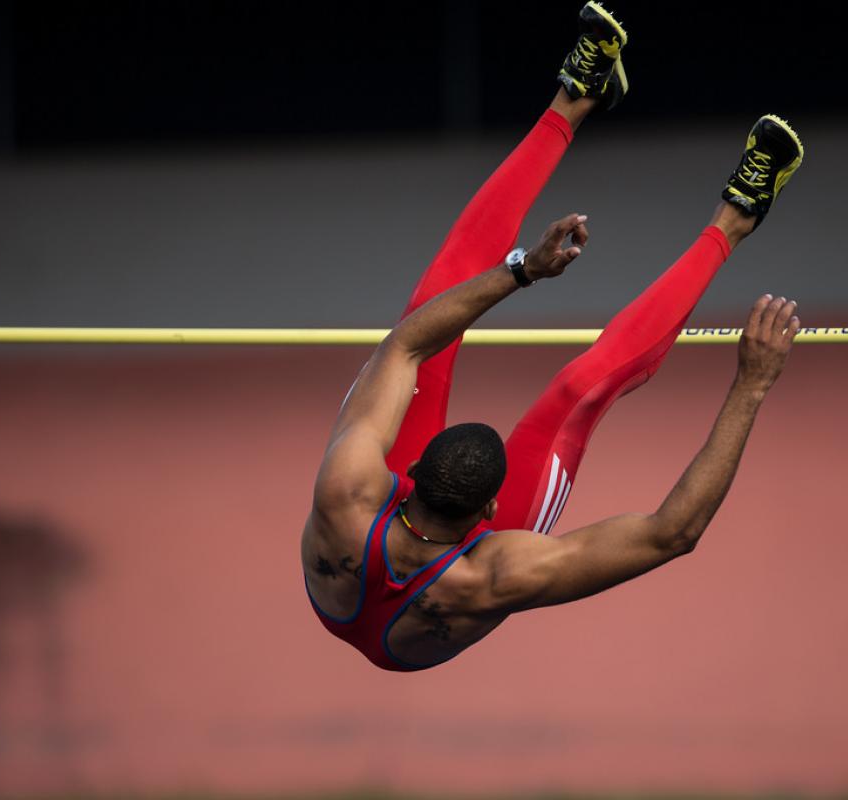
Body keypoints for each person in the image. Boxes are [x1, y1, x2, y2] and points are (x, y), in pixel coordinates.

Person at [301, 2, 804, 671]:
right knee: (579, 390)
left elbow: (407, 345)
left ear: (409, 469)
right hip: (436, 595)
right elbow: (668, 535)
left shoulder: (349, 489)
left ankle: (576, 98)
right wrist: (752, 384)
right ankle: (735, 220)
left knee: (426, 317)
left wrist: (520, 271)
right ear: (489, 512)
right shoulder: (497, 570)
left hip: (373, 555)